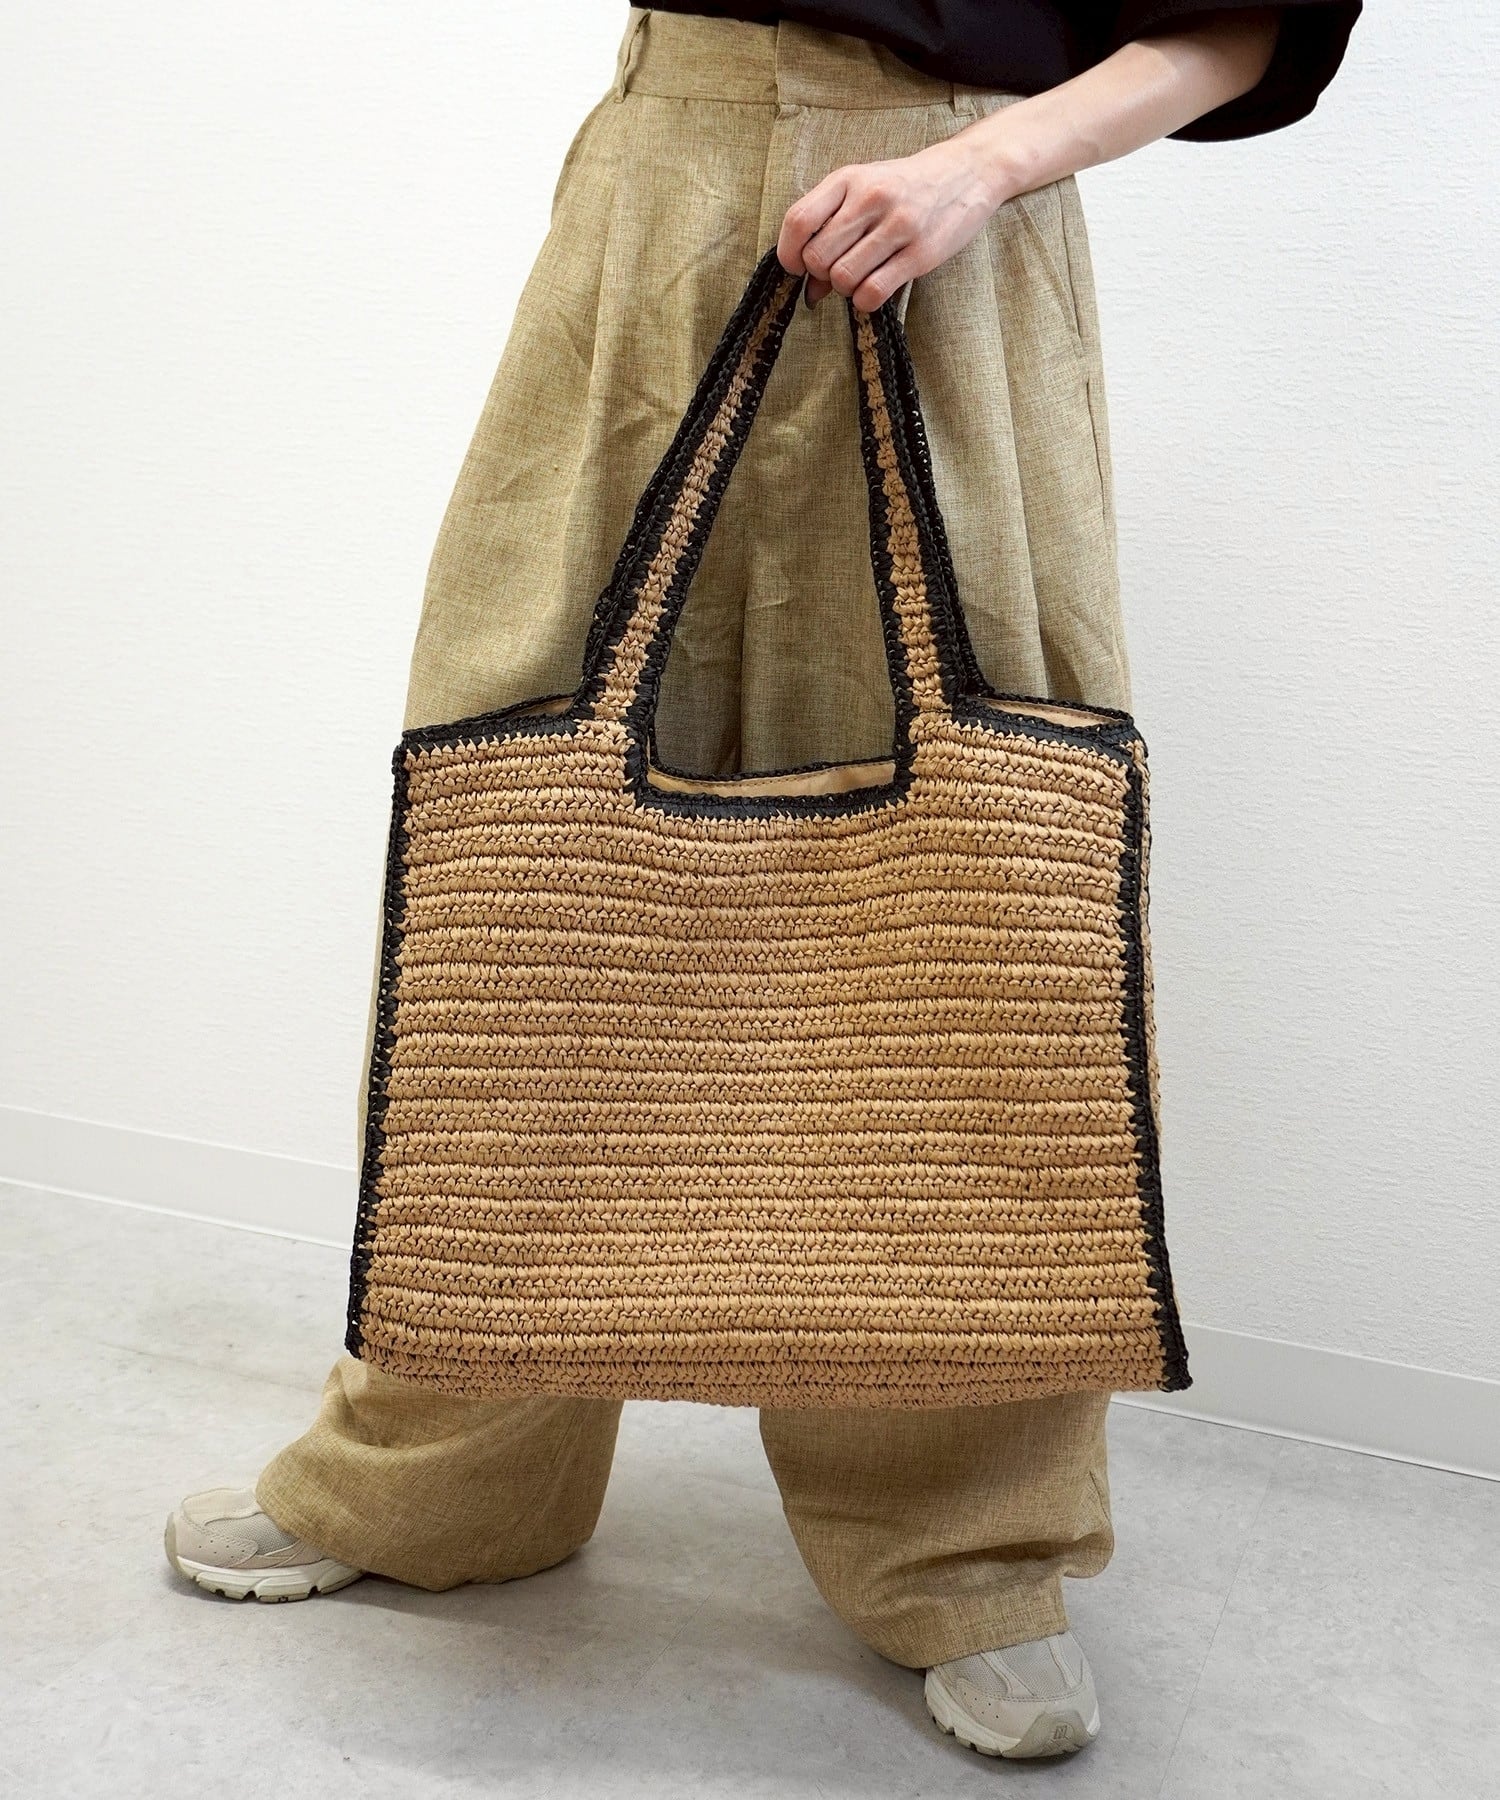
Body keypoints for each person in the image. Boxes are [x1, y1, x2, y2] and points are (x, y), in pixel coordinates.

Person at [164, 2, 1360, 1762]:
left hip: (956, 215)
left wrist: (983, 163)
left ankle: (969, 1546)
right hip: (654, 190)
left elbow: (1248, 21)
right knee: (521, 853)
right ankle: (440, 1463)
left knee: (971, 910)